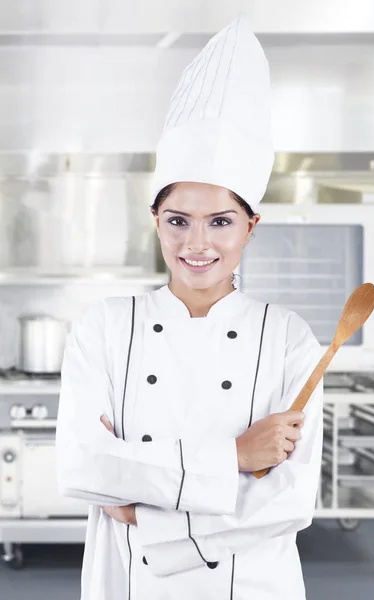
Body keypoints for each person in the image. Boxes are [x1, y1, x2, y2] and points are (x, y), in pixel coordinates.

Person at [55, 16, 323, 600]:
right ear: (156, 221)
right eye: (178, 221)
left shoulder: (287, 338)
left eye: (220, 222)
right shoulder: (103, 327)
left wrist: (146, 508)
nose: (196, 244)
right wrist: (236, 456)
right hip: (128, 580)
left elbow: (291, 497)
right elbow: (81, 466)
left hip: (250, 584)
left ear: (251, 227)